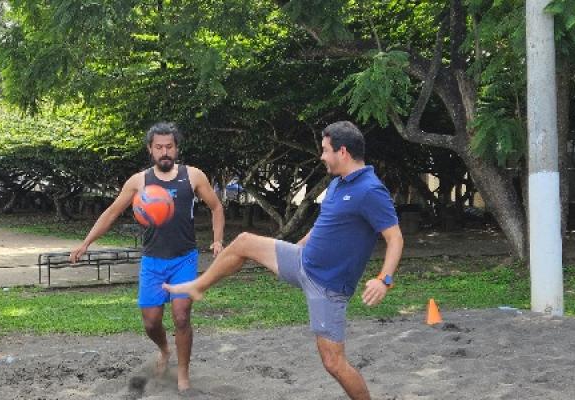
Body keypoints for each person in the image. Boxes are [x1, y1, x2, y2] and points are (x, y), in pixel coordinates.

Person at [164, 121, 403, 400]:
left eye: (325, 151)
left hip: (327, 287)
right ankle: (199, 286)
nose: (322, 156)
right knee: (243, 242)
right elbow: (325, 223)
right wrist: (296, 247)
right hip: (302, 261)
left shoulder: (370, 190)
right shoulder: (338, 182)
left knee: (333, 362)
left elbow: (395, 238)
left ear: (344, 152)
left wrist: (384, 279)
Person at [69, 122, 225, 392]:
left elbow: (216, 206)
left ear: (176, 149)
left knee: (182, 316)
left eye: (169, 147)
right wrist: (86, 242)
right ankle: (165, 349)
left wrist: (218, 239)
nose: (165, 151)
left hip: (184, 259)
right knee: (151, 322)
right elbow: (111, 213)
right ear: (150, 150)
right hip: (153, 261)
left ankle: (183, 375)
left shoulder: (193, 176)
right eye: (159, 147)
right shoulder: (139, 181)